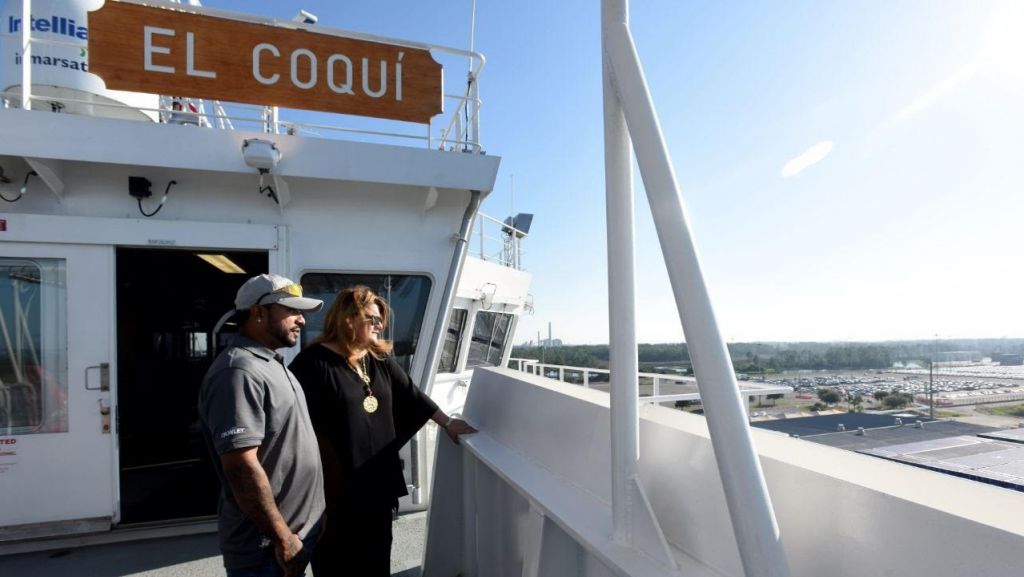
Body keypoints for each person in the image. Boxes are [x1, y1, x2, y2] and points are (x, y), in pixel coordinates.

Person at [289, 285, 476, 576]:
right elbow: (299, 431)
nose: (379, 324)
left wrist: (447, 423)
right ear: (348, 318)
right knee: (338, 563)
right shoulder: (314, 364)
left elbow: (412, 395)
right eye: (371, 318)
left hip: (377, 485)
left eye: (380, 319)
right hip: (336, 493)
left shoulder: (376, 359)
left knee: (377, 562)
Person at [198, 274, 326, 577]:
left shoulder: (270, 362)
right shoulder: (239, 371)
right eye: (292, 311)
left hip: (293, 537)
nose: (301, 321)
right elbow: (241, 467)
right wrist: (282, 537)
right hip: (268, 548)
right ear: (258, 312)